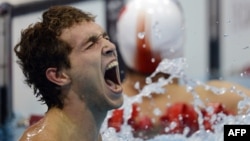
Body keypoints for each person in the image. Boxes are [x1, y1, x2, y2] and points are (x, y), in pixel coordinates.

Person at [106, 0, 250, 139]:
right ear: (179, 42)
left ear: (120, 42)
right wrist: (230, 133)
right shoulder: (220, 100)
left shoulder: (102, 109)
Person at [14, 5, 123, 141]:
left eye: (105, 38)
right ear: (59, 76)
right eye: (91, 44)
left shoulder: (87, 135)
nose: (111, 46)